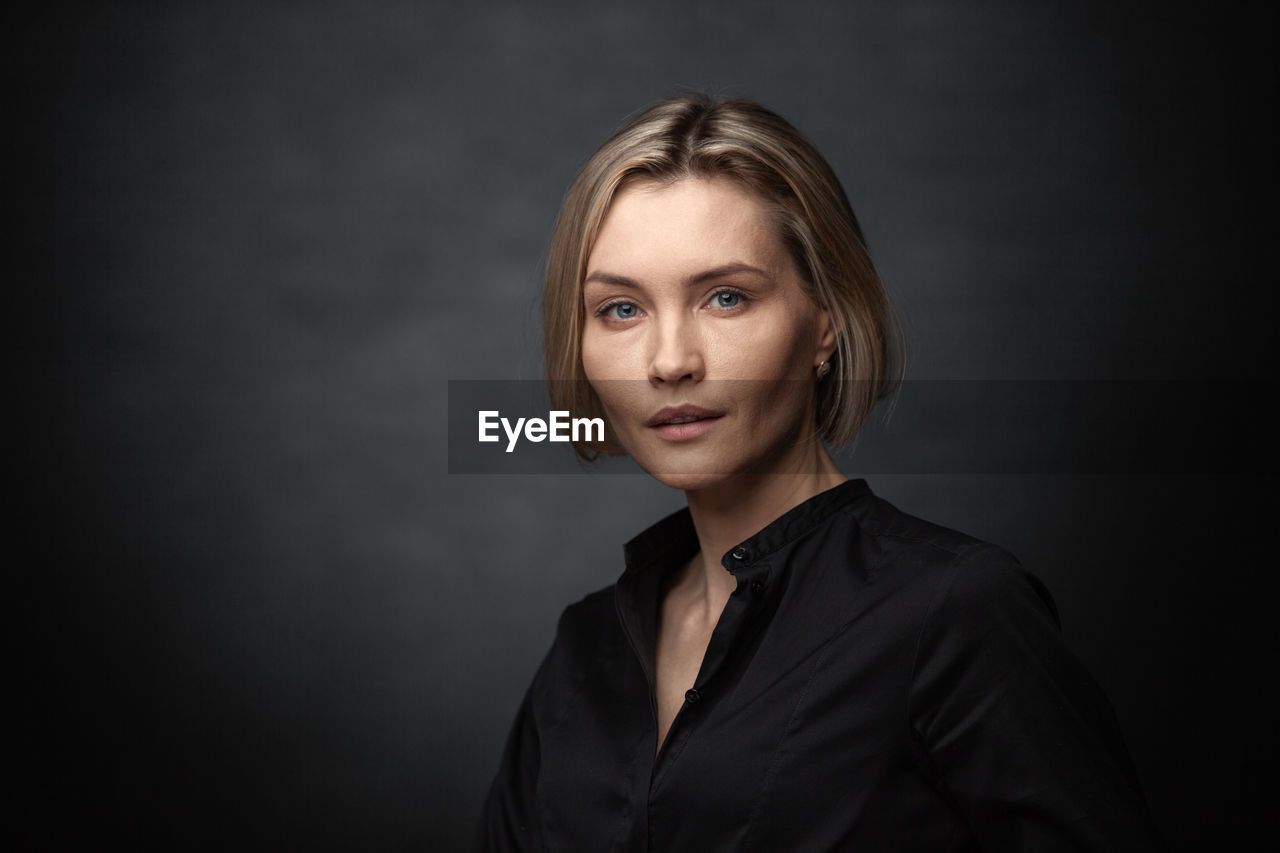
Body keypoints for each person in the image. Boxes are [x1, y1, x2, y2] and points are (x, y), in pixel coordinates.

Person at [479, 94, 1163, 851]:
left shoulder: (954, 611)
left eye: (726, 297)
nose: (670, 360)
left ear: (825, 323)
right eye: (619, 310)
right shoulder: (584, 650)